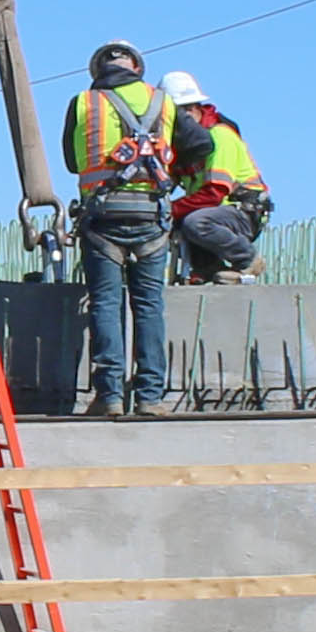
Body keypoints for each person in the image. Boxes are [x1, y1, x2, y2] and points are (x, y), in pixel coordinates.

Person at [60, 39, 178, 412]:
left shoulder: (84, 102)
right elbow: (198, 147)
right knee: (149, 306)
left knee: (106, 304)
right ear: (136, 68)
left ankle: (110, 395)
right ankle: (150, 396)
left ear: (98, 71)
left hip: (103, 216)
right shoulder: (164, 102)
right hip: (151, 216)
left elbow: (69, 160)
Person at [161, 71, 273, 281]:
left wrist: (169, 210)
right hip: (214, 213)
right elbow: (167, 182)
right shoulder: (186, 148)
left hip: (242, 212)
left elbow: (215, 193)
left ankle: (248, 260)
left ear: (193, 110)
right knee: (167, 221)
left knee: (195, 222)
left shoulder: (219, 136)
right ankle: (209, 271)